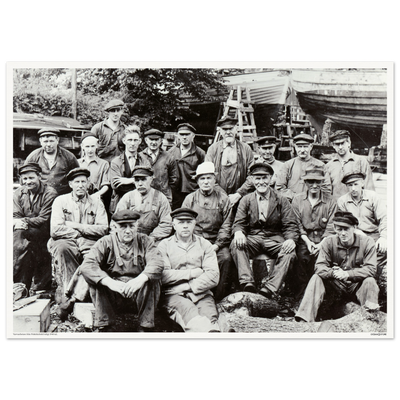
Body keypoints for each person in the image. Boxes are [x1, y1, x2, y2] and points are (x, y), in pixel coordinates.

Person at [80, 209, 164, 332]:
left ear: (137, 226)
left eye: (132, 226)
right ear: (114, 227)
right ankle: (106, 325)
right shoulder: (105, 242)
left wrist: (140, 279)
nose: (128, 230)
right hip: (113, 294)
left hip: (139, 294)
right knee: (96, 279)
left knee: (152, 278)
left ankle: (145, 326)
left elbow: (157, 263)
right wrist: (109, 282)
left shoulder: (145, 241)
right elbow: (87, 265)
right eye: (123, 226)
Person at [295, 211, 380, 323]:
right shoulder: (329, 242)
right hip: (336, 286)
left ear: (354, 228)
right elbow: (319, 267)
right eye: (339, 229)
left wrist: (347, 274)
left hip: (357, 285)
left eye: (346, 229)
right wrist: (333, 273)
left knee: (370, 281)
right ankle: (304, 319)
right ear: (335, 229)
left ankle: (371, 319)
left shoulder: (367, 242)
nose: (343, 233)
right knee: (316, 278)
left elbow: (371, 269)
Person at [230, 163, 299, 298]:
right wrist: (238, 232)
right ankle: (247, 283)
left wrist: (291, 239)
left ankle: (270, 288)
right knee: (235, 244)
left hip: (274, 238)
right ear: (252, 180)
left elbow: (290, 225)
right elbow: (239, 222)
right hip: (253, 238)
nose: (261, 182)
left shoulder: (281, 200)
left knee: (290, 253)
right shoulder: (246, 200)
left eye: (264, 178)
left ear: (271, 179)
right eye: (257, 178)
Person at [158, 208, 230, 332]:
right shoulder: (164, 245)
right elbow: (163, 275)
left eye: (189, 222)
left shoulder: (205, 244)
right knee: (190, 314)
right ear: (173, 225)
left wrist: (187, 286)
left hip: (201, 293)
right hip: (174, 295)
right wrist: (192, 273)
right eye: (181, 222)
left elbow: (213, 276)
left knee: (211, 316)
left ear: (194, 224)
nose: (185, 226)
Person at [47, 167, 109, 313]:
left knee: (93, 259)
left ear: (88, 184)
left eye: (83, 182)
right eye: (77, 182)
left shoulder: (97, 202)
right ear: (70, 184)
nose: (80, 185)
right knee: (63, 249)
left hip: (90, 242)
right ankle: (69, 293)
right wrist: (78, 235)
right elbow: (55, 230)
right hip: (65, 239)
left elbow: (103, 229)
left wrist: (76, 226)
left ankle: (71, 298)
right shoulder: (60, 201)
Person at [181, 162, 235, 300]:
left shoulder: (223, 199)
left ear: (214, 179)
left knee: (226, 258)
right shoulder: (190, 199)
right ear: (197, 181)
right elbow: (184, 223)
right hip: (195, 241)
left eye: (209, 178)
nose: (206, 182)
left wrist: (217, 245)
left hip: (216, 242)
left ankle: (219, 297)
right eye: (202, 178)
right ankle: (191, 294)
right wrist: (195, 243)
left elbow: (227, 225)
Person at [289, 165, 337, 299]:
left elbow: (332, 225)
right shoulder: (298, 200)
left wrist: (322, 243)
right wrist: (307, 241)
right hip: (304, 239)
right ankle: (301, 295)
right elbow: (296, 223)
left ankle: (324, 295)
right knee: (300, 257)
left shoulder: (331, 201)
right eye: (311, 181)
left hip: (324, 239)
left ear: (322, 182)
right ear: (305, 182)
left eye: (318, 181)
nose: (314, 185)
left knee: (324, 260)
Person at [337, 171, 387, 297]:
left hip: (373, 235)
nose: (353, 188)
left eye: (356, 184)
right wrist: (356, 231)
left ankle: (371, 284)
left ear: (362, 183)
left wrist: (383, 237)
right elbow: (343, 223)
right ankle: (355, 286)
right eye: (350, 185)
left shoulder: (372, 197)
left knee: (381, 252)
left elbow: (384, 218)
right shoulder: (343, 201)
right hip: (354, 235)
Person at [13, 162, 58, 291]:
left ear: (39, 176)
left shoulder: (50, 193)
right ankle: (22, 286)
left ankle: (19, 284)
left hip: (44, 231)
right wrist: (19, 222)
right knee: (21, 241)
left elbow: (43, 219)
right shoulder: (19, 193)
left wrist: (23, 221)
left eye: (31, 178)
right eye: (25, 178)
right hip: (25, 231)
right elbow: (15, 214)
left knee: (20, 236)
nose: (28, 181)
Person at [205, 116, 254, 208]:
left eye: (231, 129)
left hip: (241, 199)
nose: (228, 132)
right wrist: (222, 195)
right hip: (217, 198)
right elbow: (208, 174)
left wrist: (239, 194)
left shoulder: (245, 149)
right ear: (220, 131)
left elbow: (252, 175)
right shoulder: (213, 149)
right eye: (224, 129)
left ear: (236, 129)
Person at [114, 166, 172, 242]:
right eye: (137, 180)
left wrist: (151, 238)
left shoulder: (160, 198)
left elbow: (166, 224)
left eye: (143, 179)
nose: (140, 184)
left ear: (151, 179)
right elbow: (115, 222)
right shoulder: (128, 197)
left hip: (153, 240)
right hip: (129, 239)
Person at [275, 133, 331, 202]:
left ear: (311, 147)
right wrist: (296, 198)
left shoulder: (321, 165)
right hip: (292, 203)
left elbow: (326, 189)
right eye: (299, 147)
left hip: (313, 203)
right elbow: (279, 188)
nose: (302, 150)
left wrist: (313, 199)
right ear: (295, 147)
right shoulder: (287, 165)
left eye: (305, 147)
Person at [109, 126, 151, 214]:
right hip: (120, 202)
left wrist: (128, 181)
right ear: (124, 141)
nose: (132, 143)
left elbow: (148, 183)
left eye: (135, 140)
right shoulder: (116, 162)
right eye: (130, 140)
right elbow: (115, 185)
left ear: (139, 141)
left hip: (141, 203)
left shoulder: (145, 161)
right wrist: (139, 181)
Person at [25, 128, 80, 195]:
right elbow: (24, 178)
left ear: (57, 140)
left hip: (62, 196)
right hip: (40, 197)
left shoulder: (69, 157)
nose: (48, 144)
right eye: (45, 141)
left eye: (51, 141)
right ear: (40, 141)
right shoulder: (33, 157)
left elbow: (77, 177)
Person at [324, 130, 375, 200]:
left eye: (342, 143)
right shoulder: (329, 166)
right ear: (333, 146)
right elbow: (327, 192)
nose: (340, 147)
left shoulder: (361, 162)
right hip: (337, 205)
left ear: (349, 143)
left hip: (357, 205)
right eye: (337, 144)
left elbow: (369, 188)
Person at [168, 123, 205, 210]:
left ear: (193, 136)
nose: (184, 137)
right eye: (181, 134)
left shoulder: (200, 153)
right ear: (177, 136)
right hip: (175, 192)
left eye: (187, 134)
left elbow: (204, 173)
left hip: (192, 191)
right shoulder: (171, 152)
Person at [139, 128, 178, 206]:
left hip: (163, 198)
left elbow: (174, 180)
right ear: (146, 140)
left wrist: (165, 189)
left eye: (157, 140)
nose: (154, 142)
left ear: (161, 141)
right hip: (143, 198)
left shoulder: (169, 157)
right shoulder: (140, 156)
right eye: (151, 139)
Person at [90, 99, 126, 163]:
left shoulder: (125, 129)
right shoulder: (97, 128)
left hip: (119, 165)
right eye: (113, 111)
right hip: (101, 164)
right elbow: (89, 147)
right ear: (108, 112)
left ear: (122, 111)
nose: (115, 114)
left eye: (118, 110)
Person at [78, 133, 110, 203]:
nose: (90, 150)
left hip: (96, 199)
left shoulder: (104, 164)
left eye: (92, 146)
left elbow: (106, 185)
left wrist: (96, 195)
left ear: (97, 146)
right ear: (82, 146)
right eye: (87, 146)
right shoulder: (77, 163)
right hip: (79, 199)